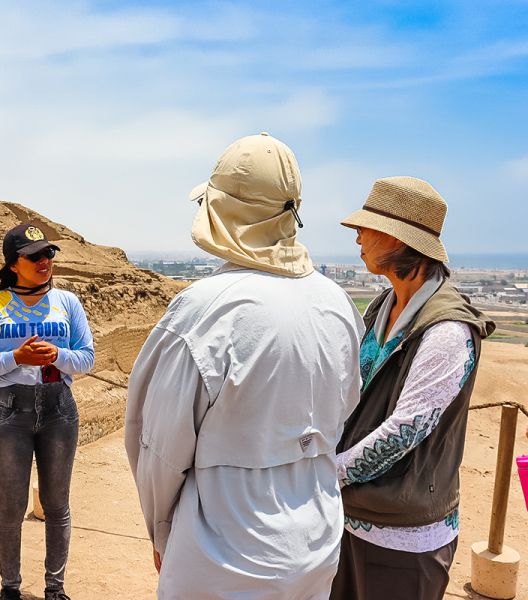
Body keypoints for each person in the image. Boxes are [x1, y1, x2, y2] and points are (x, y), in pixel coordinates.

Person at [125, 133, 364, 599]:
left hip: (223, 554)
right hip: (316, 541)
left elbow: (159, 449)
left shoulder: (204, 310)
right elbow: (343, 411)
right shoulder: (338, 304)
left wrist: (161, 532)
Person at [330, 177, 495, 600]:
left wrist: (325, 475)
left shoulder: (447, 330)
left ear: (398, 239)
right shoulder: (383, 305)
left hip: (404, 538)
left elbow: (405, 430)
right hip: (352, 516)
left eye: (366, 229)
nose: (358, 238)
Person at [0, 223, 94, 600]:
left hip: (59, 409)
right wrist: (15, 357)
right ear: (13, 264)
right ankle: (10, 588)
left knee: (57, 504)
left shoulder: (68, 302)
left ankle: (55, 589)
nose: (45, 261)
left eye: (48, 254)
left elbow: (86, 357)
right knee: (11, 507)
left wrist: (58, 355)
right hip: (9, 413)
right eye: (34, 256)